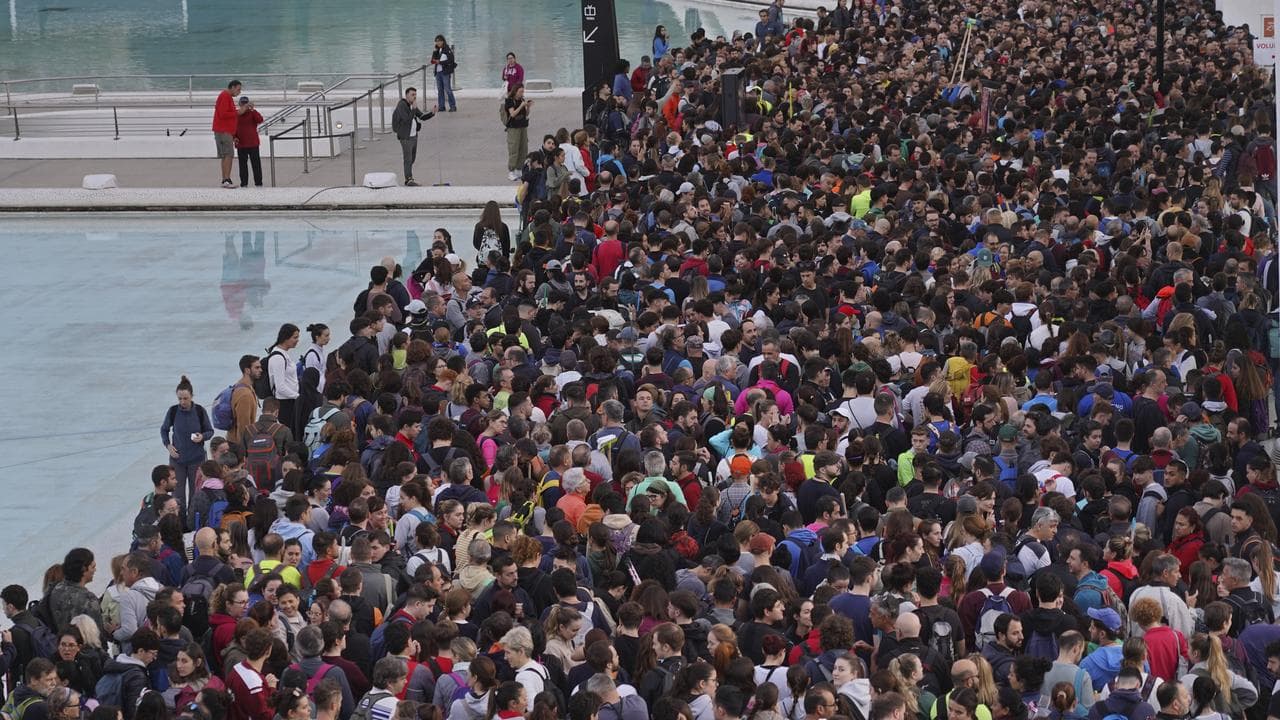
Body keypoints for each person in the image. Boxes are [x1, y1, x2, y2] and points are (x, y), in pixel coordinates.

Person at [160, 376, 213, 530]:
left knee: (194, 494)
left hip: (196, 459)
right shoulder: (173, 411)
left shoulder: (199, 411)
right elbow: (164, 429)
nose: (182, 402)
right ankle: (179, 526)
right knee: (178, 495)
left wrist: (202, 437)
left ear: (192, 396)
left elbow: (209, 431)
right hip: (177, 460)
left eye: (185, 398)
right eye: (180, 398)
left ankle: (192, 525)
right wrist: (168, 445)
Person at [391, 87, 437, 187]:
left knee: (412, 159)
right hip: (405, 137)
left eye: (415, 95)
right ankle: (409, 179)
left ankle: (408, 176)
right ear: (407, 95)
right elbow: (407, 120)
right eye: (412, 95)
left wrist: (432, 113)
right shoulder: (402, 105)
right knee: (408, 159)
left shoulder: (412, 105)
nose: (414, 97)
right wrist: (413, 109)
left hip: (413, 136)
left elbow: (421, 116)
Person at [211, 79, 246, 188]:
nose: (239, 92)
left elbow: (224, 113)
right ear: (233, 87)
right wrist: (238, 112)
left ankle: (225, 179)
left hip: (224, 131)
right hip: (223, 131)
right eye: (238, 89)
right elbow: (223, 114)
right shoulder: (225, 96)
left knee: (225, 155)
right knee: (228, 155)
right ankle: (226, 179)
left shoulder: (226, 96)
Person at [504, 84, 533, 182]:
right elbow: (512, 114)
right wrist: (521, 106)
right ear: (515, 91)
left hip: (523, 126)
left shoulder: (522, 100)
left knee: (523, 148)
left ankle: (519, 169)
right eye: (520, 91)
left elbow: (526, 114)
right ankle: (511, 171)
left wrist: (528, 107)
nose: (522, 93)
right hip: (513, 128)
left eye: (523, 91)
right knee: (514, 149)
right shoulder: (509, 101)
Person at [234, 96, 264, 187]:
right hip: (241, 143)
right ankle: (244, 183)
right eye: (242, 103)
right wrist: (234, 137)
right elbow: (232, 127)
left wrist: (253, 110)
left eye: (245, 103)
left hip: (253, 143)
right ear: (239, 104)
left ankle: (258, 183)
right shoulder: (236, 114)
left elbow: (260, 120)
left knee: (256, 164)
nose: (244, 105)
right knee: (242, 165)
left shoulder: (252, 113)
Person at [431, 35, 458, 112]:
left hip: (445, 72)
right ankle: (441, 106)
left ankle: (453, 106)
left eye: (439, 41)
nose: (438, 42)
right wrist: (435, 58)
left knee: (448, 89)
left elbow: (451, 60)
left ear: (443, 41)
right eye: (436, 41)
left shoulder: (447, 49)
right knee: (440, 90)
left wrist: (440, 62)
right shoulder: (436, 50)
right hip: (438, 72)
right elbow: (433, 60)